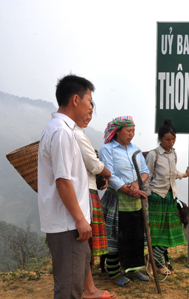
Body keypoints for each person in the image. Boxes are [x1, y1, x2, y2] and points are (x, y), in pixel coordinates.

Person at [38, 74, 93, 298]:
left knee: (72, 285)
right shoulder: (61, 132)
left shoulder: (61, 129)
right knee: (68, 290)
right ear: (76, 100)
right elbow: (63, 181)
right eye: (89, 100)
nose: (91, 106)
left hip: (68, 223)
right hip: (68, 225)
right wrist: (80, 220)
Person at [99, 116, 150, 287]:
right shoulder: (107, 149)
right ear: (117, 131)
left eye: (133, 131)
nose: (132, 134)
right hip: (117, 199)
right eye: (128, 131)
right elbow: (109, 175)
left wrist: (137, 184)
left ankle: (133, 269)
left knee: (135, 235)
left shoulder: (136, 150)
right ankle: (113, 272)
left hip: (136, 200)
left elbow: (144, 171)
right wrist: (128, 189)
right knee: (115, 235)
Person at [74, 102, 116, 299]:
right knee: (84, 245)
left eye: (92, 113)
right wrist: (106, 172)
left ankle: (87, 287)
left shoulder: (69, 133)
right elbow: (94, 164)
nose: (90, 116)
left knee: (83, 246)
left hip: (83, 191)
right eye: (88, 112)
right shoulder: (77, 135)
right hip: (85, 194)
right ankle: (87, 289)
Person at [143, 118, 189, 275]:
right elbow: (147, 176)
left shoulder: (173, 154)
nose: (171, 142)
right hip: (157, 198)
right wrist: (147, 196)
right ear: (160, 139)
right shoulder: (153, 155)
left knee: (173, 234)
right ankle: (157, 264)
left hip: (171, 198)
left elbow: (173, 173)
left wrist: (183, 174)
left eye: (173, 139)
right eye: (167, 139)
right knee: (157, 235)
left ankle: (152, 259)